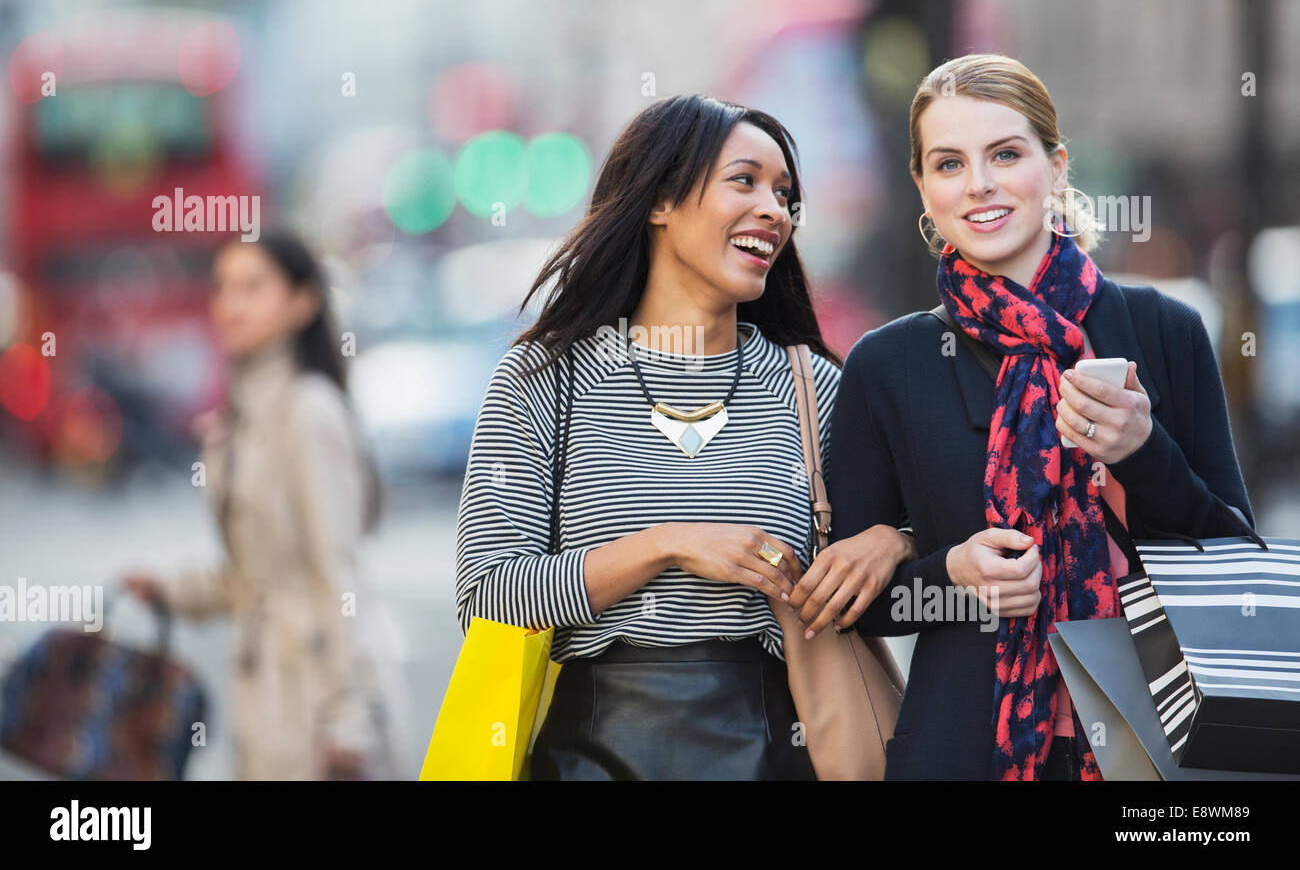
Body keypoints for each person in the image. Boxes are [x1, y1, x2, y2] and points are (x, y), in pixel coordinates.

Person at [455, 94, 915, 780]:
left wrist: (893, 540)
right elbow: (488, 593)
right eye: (745, 181)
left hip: (779, 748)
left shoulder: (813, 386)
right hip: (590, 756)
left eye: (785, 194)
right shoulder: (545, 379)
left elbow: (909, 574)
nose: (774, 210)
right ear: (660, 201)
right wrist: (669, 543)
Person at [823, 54, 1253, 781]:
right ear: (923, 189)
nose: (980, 184)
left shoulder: (1164, 329)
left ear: (1055, 168)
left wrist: (1142, 451)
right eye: (949, 163)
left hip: (1155, 750)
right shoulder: (888, 363)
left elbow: (1237, 570)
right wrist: (952, 577)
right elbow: (851, 604)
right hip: (965, 750)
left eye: (1005, 154)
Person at [123, 231, 395, 780]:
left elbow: (339, 575)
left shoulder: (310, 413)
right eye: (222, 287)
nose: (230, 304)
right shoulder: (236, 424)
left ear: (302, 302)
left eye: (252, 287)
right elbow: (254, 575)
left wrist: (349, 720)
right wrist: (172, 592)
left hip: (316, 702)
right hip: (261, 694)